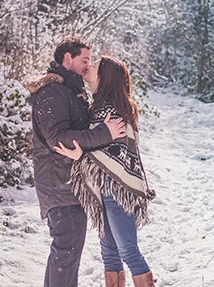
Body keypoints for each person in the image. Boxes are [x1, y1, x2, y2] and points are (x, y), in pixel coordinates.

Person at [25, 38, 128, 287]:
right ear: (67, 59)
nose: (87, 65)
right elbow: (58, 139)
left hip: (69, 184)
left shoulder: (70, 91)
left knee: (65, 252)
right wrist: (106, 133)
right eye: (84, 60)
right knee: (66, 251)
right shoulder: (53, 92)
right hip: (59, 185)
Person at [54, 55, 156, 287]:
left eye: (95, 65)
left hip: (118, 188)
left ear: (105, 77)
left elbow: (114, 154)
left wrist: (81, 156)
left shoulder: (113, 111)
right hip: (104, 189)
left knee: (127, 250)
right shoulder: (98, 108)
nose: (89, 66)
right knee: (109, 252)